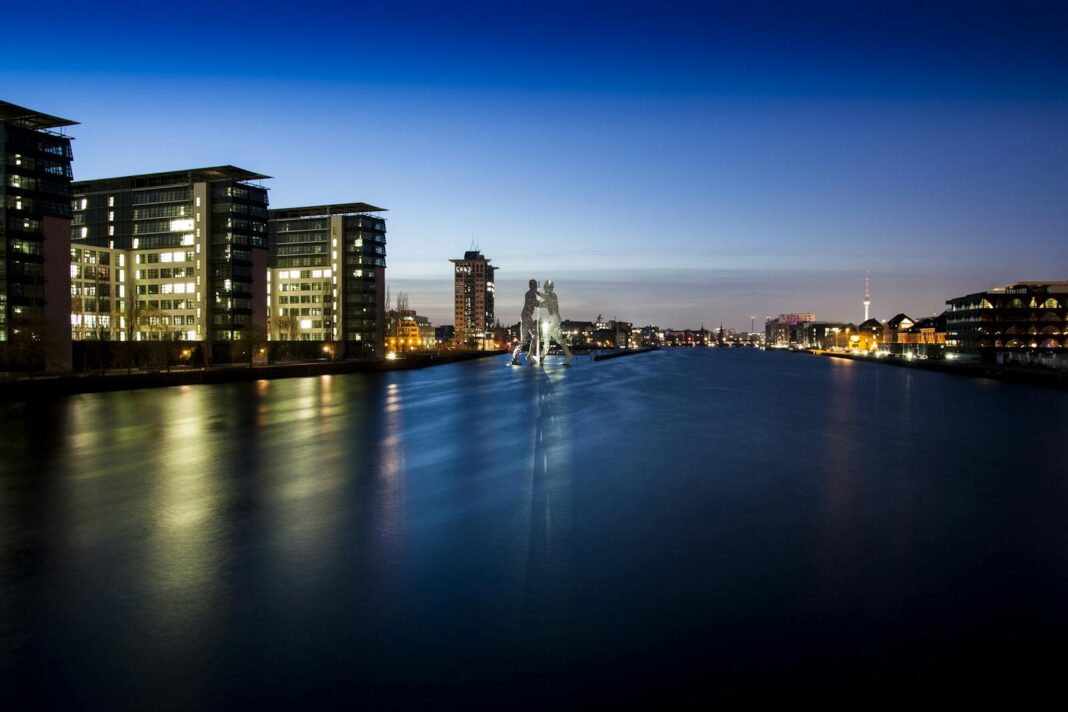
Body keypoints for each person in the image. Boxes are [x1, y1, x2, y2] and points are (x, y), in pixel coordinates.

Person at [538, 279, 573, 365]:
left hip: (555, 319)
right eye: (546, 288)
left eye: (548, 288)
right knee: (558, 339)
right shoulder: (548, 298)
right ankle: (569, 355)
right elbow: (540, 304)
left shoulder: (553, 296)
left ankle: (542, 357)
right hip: (553, 319)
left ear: (551, 288)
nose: (546, 289)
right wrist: (534, 302)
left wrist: (537, 293)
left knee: (546, 336)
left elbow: (544, 297)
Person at [512, 279, 541, 365]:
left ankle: (529, 355)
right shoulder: (530, 293)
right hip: (526, 317)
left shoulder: (531, 293)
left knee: (535, 335)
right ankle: (514, 358)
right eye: (534, 286)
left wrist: (539, 295)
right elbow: (535, 303)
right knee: (524, 340)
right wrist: (545, 304)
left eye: (535, 286)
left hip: (528, 317)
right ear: (532, 286)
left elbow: (535, 299)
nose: (535, 287)